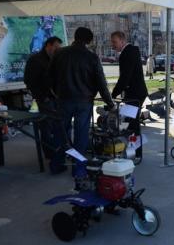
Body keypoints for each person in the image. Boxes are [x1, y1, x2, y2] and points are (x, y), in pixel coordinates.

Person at [50, 27, 114, 174]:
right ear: (89, 41)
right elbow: (101, 83)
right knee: (81, 136)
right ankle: (78, 169)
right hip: (84, 102)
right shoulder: (91, 57)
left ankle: (57, 164)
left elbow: (49, 77)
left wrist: (56, 93)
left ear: (75, 37)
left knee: (61, 133)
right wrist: (110, 103)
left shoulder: (60, 53)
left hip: (63, 100)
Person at [24, 36, 63, 167]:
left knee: (58, 126)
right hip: (44, 99)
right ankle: (49, 154)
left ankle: (58, 151)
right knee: (46, 127)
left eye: (59, 48)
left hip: (56, 98)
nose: (58, 50)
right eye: (56, 47)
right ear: (48, 45)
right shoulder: (35, 60)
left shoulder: (55, 59)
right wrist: (42, 97)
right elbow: (29, 81)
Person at [110, 31, 149, 162]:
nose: (113, 45)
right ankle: (135, 152)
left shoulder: (127, 53)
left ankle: (135, 153)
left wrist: (113, 94)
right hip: (136, 93)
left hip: (134, 94)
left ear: (122, 40)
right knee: (132, 124)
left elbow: (125, 77)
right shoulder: (133, 50)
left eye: (114, 42)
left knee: (132, 125)